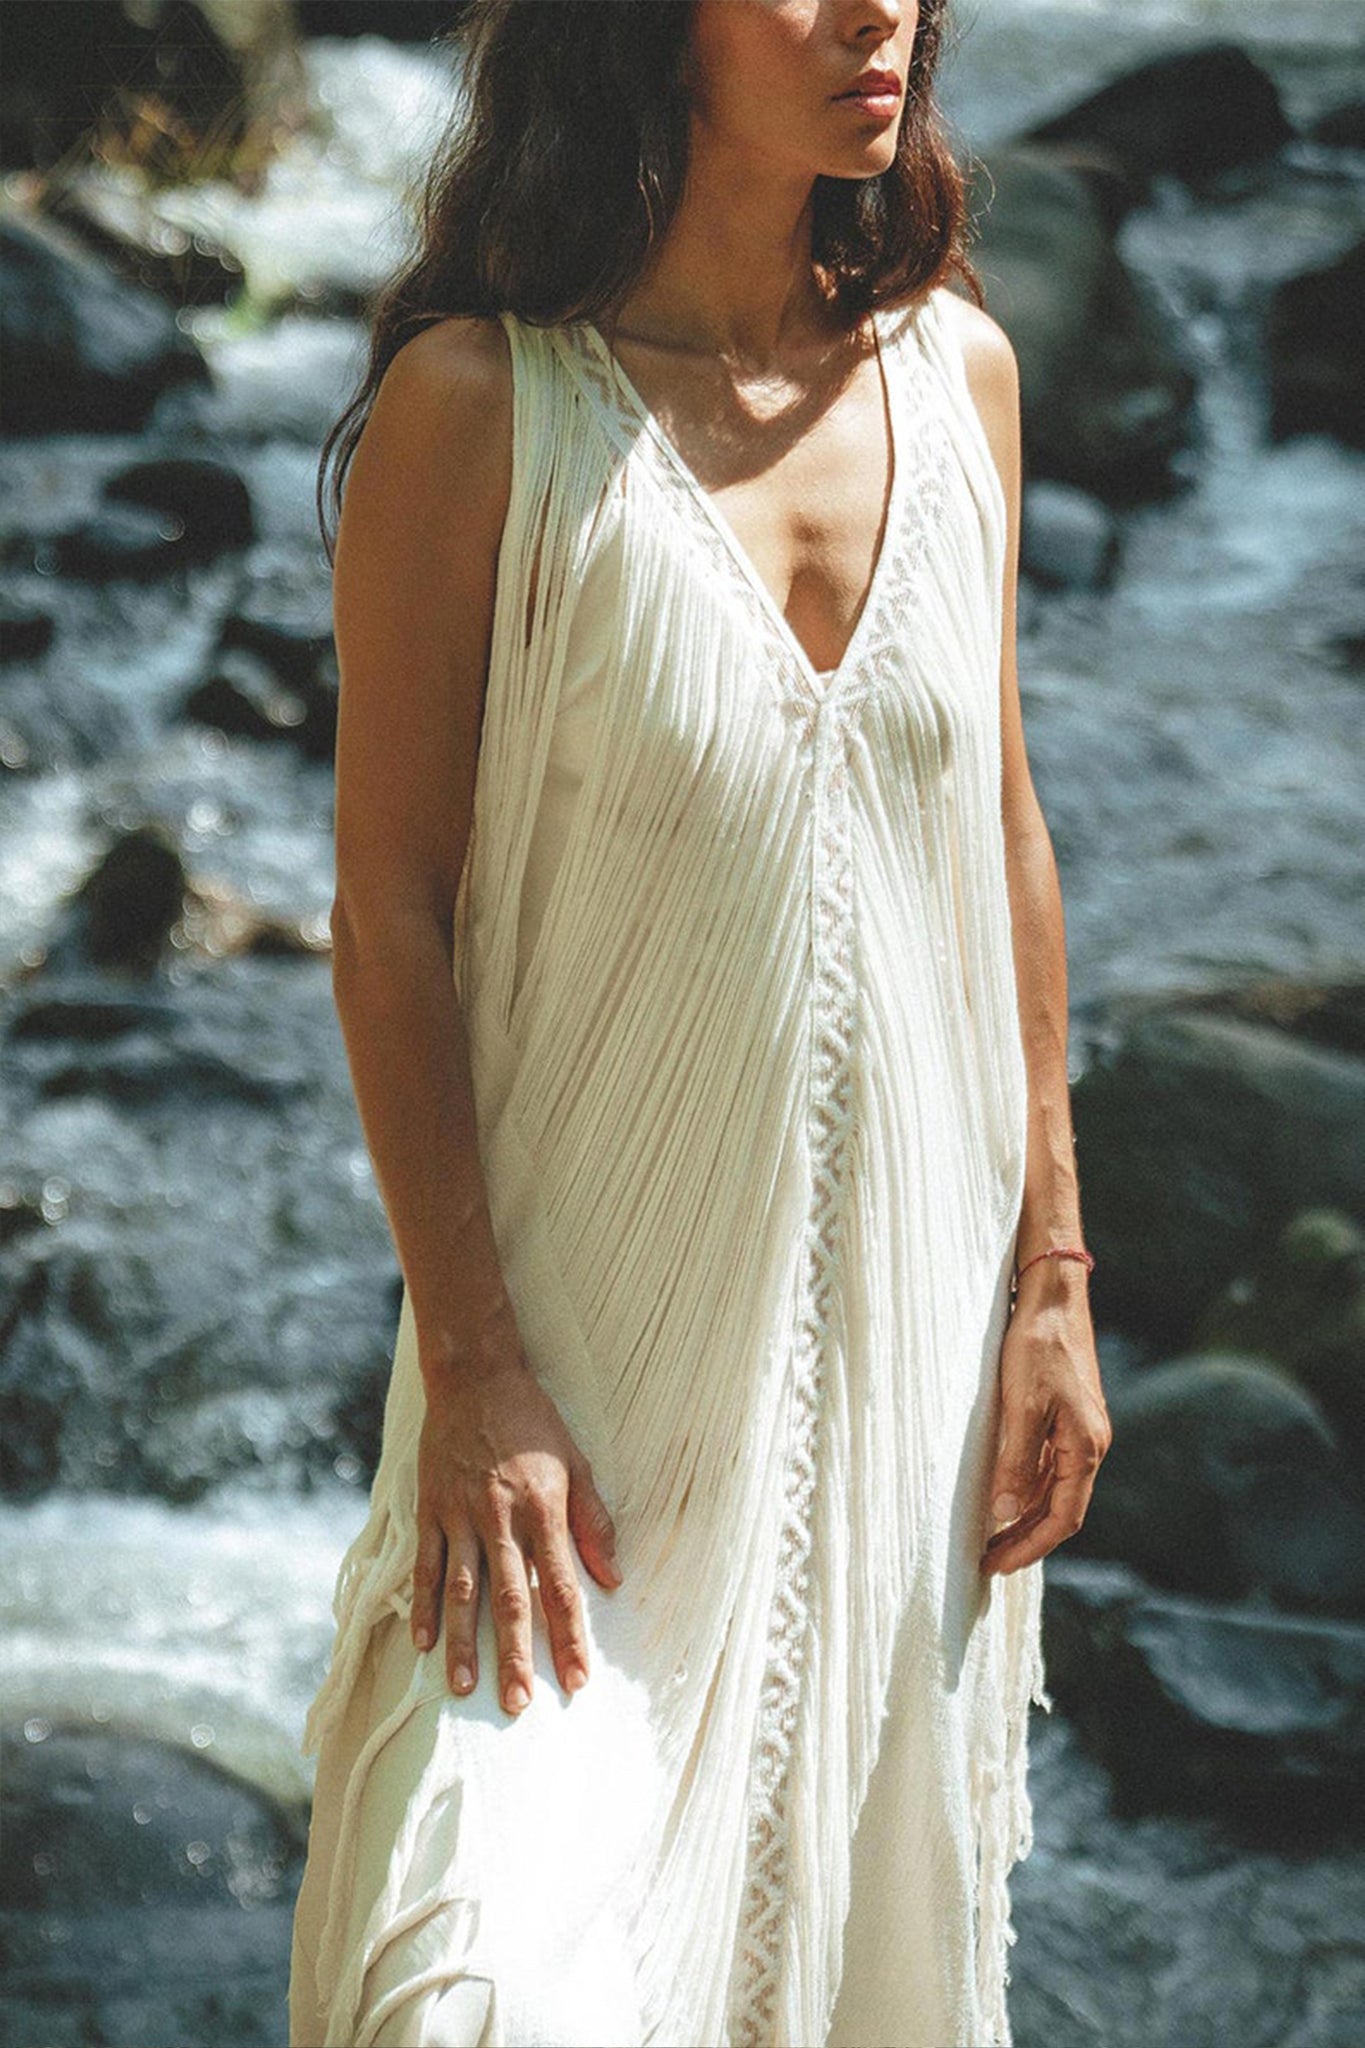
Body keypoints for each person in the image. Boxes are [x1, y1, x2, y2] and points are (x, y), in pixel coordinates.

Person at [287, 1, 1112, 2043]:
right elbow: (386, 915)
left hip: (911, 1354)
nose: (877, 13)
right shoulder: (481, 409)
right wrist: (471, 1369)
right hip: (572, 1398)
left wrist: (1050, 1283)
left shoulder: (961, 378)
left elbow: (996, 832)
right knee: (470, 1983)